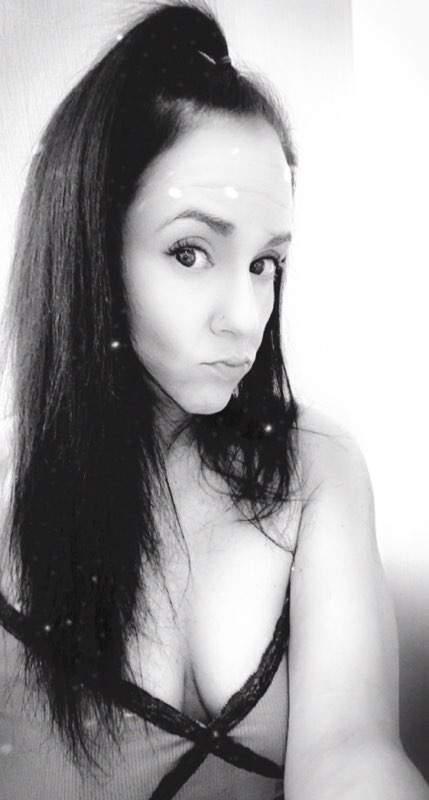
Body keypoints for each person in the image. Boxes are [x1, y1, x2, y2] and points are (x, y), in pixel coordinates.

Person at [0, 2, 427, 798]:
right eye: (191, 251)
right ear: (90, 247)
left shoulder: (314, 469)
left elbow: (350, 751)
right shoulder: (9, 487)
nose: (245, 316)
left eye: (265, 263)